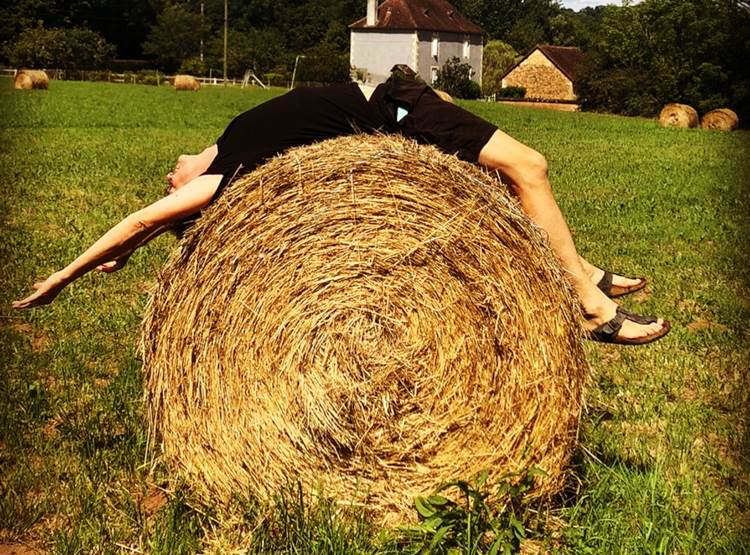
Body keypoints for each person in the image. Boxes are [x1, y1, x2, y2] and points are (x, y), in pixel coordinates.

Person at [12, 77, 669, 345]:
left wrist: (131, 248)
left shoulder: (232, 138)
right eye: (168, 187)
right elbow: (141, 220)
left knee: (503, 191)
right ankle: (591, 303)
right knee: (529, 168)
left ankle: (581, 270)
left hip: (402, 103)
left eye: (169, 176)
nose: (167, 175)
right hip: (403, 113)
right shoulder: (223, 178)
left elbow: (142, 232)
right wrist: (65, 275)